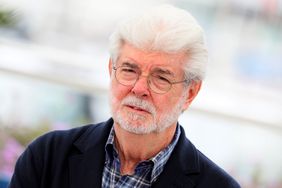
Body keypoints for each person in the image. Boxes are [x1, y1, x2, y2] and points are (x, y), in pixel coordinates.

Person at [9, 4, 241, 188]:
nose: (139, 88)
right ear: (112, 69)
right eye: (130, 70)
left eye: (161, 77)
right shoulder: (47, 157)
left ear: (190, 93)